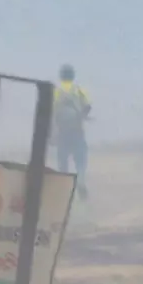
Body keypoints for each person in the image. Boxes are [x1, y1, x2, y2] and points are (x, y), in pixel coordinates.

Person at [52, 65, 92, 198]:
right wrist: (82, 115)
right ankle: (80, 180)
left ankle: (64, 190)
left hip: (62, 133)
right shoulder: (79, 90)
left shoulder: (56, 91)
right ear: (72, 76)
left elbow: (51, 112)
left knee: (63, 163)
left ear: (61, 76)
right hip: (77, 131)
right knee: (81, 160)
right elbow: (88, 106)